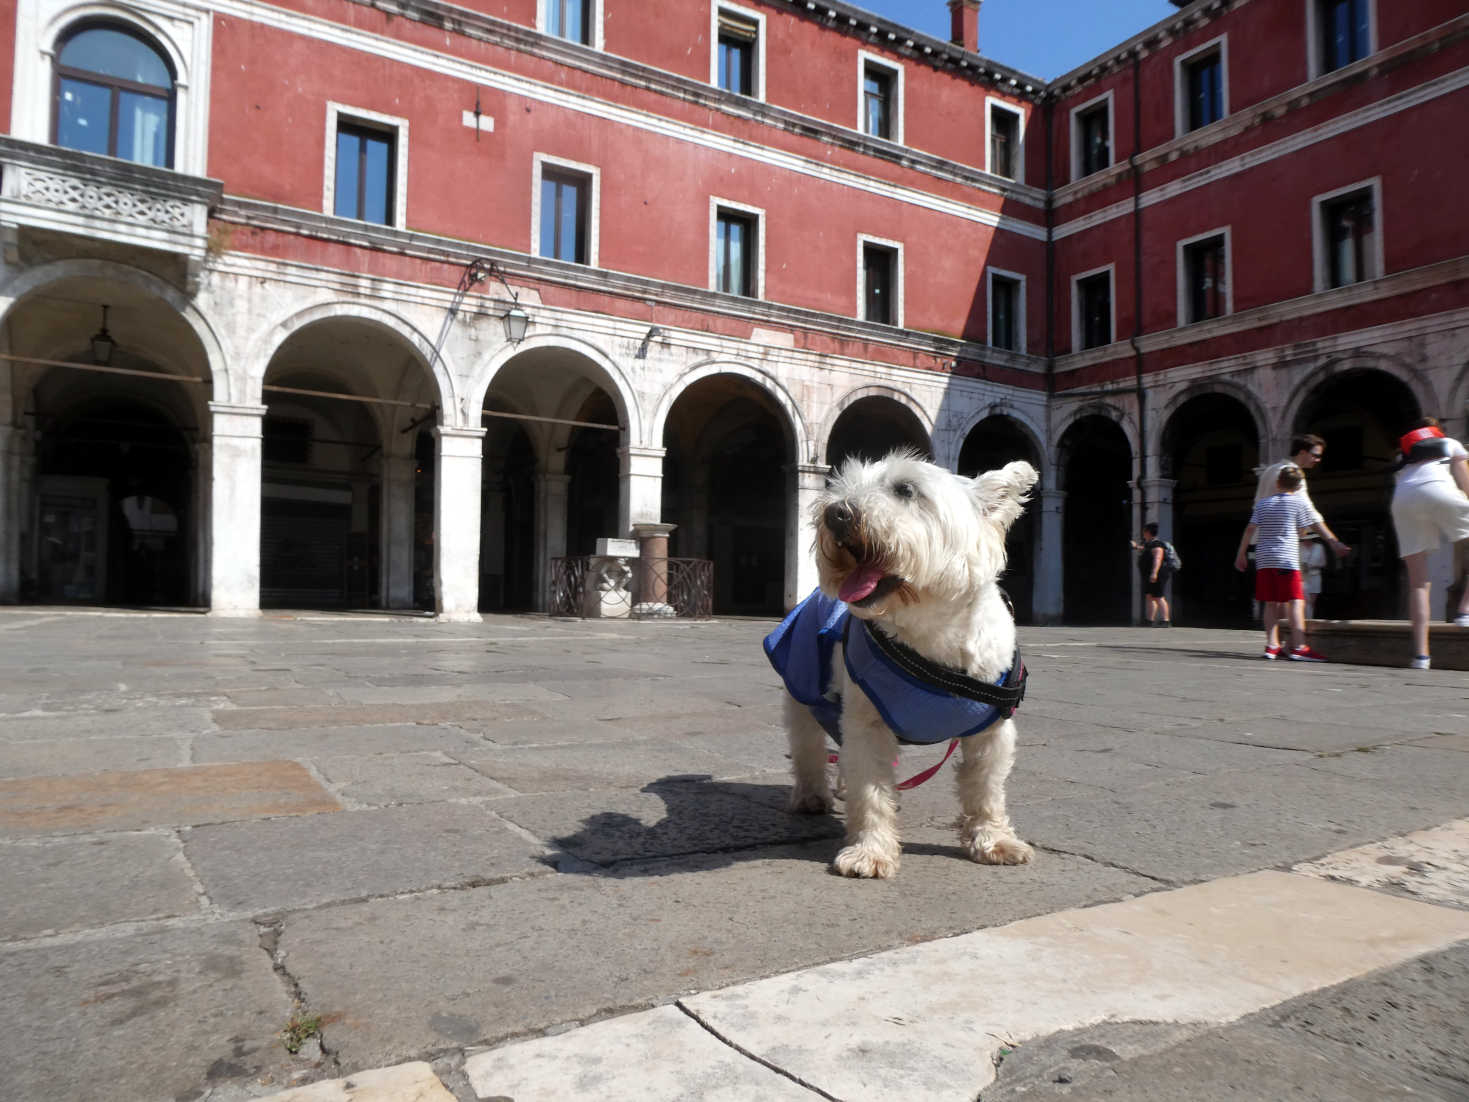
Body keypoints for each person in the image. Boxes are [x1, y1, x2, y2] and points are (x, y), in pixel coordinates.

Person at [1234, 464, 1338, 661]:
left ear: (1277, 482)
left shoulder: (1262, 504)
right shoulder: (1299, 504)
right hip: (1286, 559)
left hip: (1264, 559)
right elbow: (1303, 530)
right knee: (1296, 602)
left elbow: (1249, 530)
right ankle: (1299, 647)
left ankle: (1272, 646)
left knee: (1270, 603)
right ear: (1298, 486)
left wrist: (1240, 554)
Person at [1389, 417, 1469, 671]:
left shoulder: (1404, 457)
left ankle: (1421, 656)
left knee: (1418, 582)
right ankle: (1465, 609)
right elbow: (1466, 483)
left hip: (1403, 500)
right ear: (1437, 432)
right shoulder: (1450, 443)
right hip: (1439, 489)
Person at [1253, 433, 1352, 561]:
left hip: (1260, 545)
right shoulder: (1294, 476)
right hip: (1281, 547)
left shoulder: (1270, 470)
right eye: (1315, 455)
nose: (1318, 460)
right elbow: (1309, 513)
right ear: (1302, 452)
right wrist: (1333, 541)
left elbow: (1256, 506)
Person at [1130, 522, 1172, 626]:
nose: (1143, 533)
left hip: (1157, 574)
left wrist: (1154, 573)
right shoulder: (1149, 544)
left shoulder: (1157, 544)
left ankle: (1166, 620)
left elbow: (1158, 559)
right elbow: (1145, 549)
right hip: (1149, 575)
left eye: (1144, 531)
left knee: (1158, 596)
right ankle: (1149, 620)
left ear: (1148, 532)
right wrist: (1136, 547)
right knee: (1150, 596)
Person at [1300, 532, 1327, 620]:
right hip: (1301, 577)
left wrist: (1311, 566)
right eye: (1304, 538)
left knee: (1311, 602)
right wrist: (1302, 566)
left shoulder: (1319, 547)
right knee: (1302, 601)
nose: (1306, 540)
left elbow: (1323, 563)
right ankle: (1301, 622)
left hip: (1315, 576)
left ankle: (1309, 621)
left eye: (1308, 538)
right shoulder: (1298, 546)